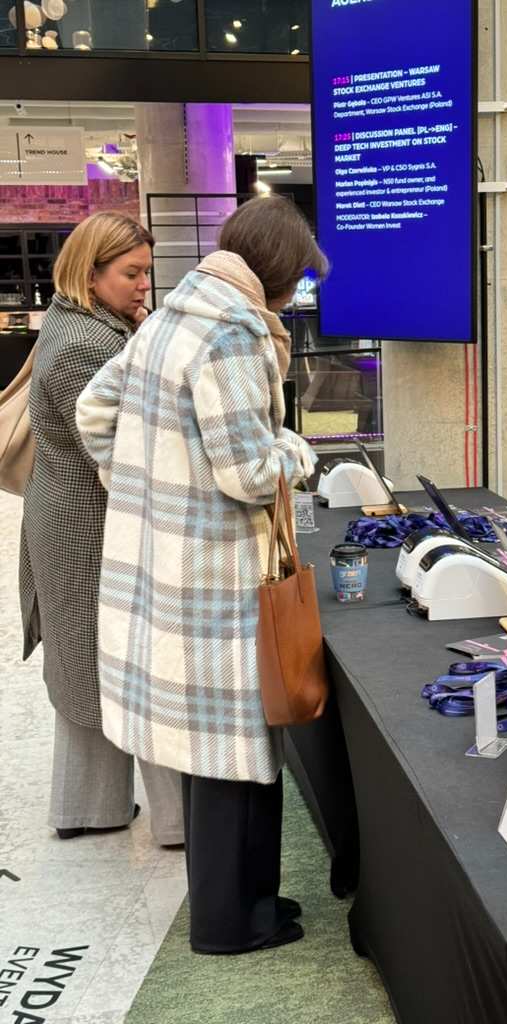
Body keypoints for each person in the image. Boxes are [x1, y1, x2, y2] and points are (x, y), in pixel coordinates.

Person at [76, 195, 328, 954]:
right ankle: (227, 924)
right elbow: (250, 469)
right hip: (215, 577)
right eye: (298, 282)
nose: (297, 296)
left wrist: (148, 490)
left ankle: (253, 905)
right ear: (278, 274)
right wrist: (301, 453)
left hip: (172, 569)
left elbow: (95, 411)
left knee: (221, 752)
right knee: (227, 754)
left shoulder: (175, 314)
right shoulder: (229, 331)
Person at [19, 212, 183, 845]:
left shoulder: (76, 322)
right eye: (131, 273)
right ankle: (175, 821)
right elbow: (125, 450)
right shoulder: (88, 344)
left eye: (147, 271)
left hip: (74, 519)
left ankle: (90, 806)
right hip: (91, 527)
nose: (145, 285)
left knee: (88, 664)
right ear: (91, 273)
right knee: (131, 666)